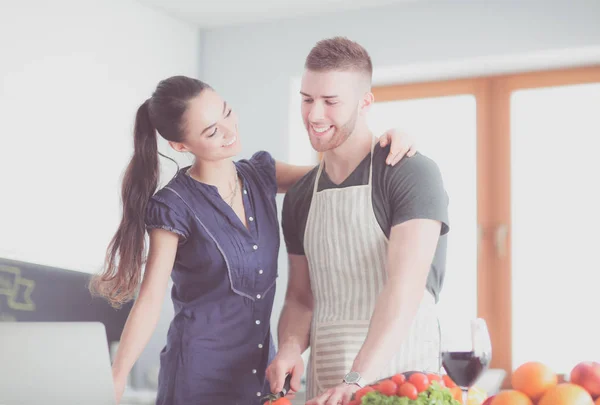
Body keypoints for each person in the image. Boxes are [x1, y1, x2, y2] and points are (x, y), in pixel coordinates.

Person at [89, 75, 417, 405]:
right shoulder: (174, 205)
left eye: (227, 113)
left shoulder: (260, 174)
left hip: (262, 376)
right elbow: (149, 300)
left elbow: (342, 175)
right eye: (212, 131)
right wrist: (116, 376)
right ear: (181, 146)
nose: (230, 131)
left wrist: (385, 145)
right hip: (197, 380)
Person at [266, 37, 450, 405]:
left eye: (330, 101)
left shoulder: (410, 173)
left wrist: (356, 378)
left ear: (365, 102)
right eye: (307, 99)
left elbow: (404, 288)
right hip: (328, 388)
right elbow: (301, 299)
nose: (314, 115)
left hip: (405, 383)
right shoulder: (301, 196)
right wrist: (288, 349)